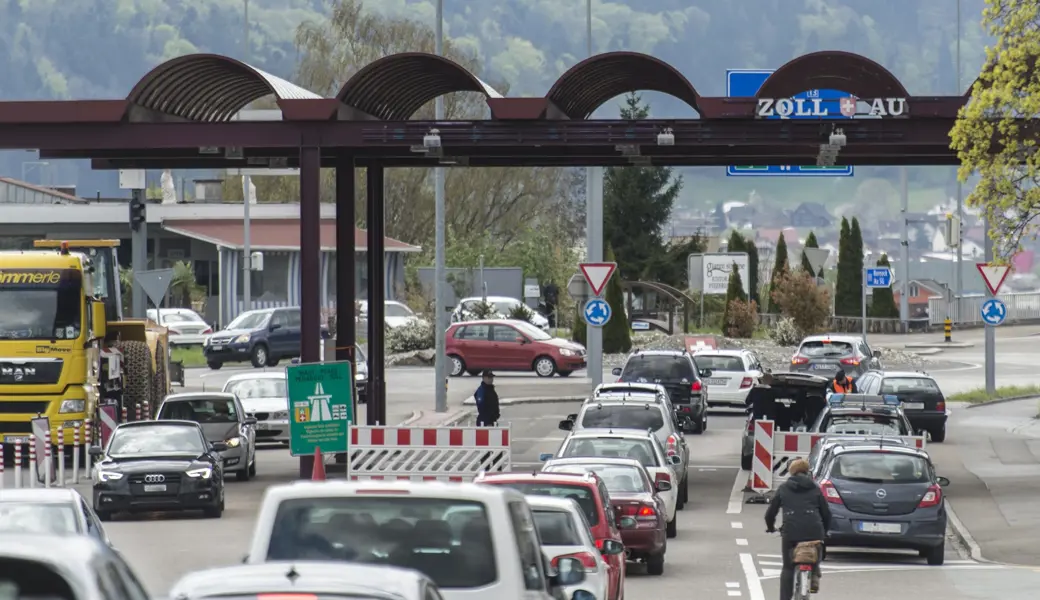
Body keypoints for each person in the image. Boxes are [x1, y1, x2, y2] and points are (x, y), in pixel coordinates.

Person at [765, 458, 831, 600]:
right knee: (817, 549)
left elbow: (771, 513)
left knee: (788, 567)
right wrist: (824, 532)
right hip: (814, 529)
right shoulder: (815, 488)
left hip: (791, 532)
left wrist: (770, 527)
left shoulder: (783, 488)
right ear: (807, 471)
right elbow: (826, 514)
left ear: (791, 472)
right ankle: (814, 571)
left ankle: (784, 598)